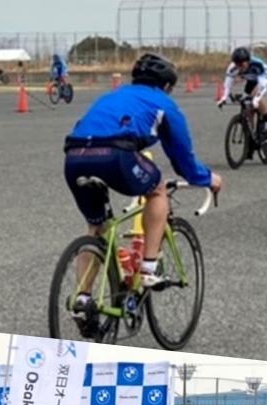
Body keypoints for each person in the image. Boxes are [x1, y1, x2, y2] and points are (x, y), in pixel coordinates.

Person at [63, 53, 222, 336]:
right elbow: (183, 160)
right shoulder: (164, 103)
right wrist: (208, 179)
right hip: (115, 154)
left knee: (98, 227)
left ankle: (84, 298)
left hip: (74, 155)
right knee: (157, 189)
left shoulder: (115, 95)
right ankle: (148, 268)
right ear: (167, 86)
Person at [218, 47, 267, 122]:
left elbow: (262, 85)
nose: (239, 67)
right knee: (247, 106)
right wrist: (224, 98)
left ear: (248, 61)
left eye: (241, 64)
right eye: (237, 64)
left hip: (264, 77)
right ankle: (250, 130)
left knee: (255, 98)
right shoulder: (233, 67)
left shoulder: (257, 65)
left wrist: (256, 99)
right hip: (251, 80)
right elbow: (227, 84)